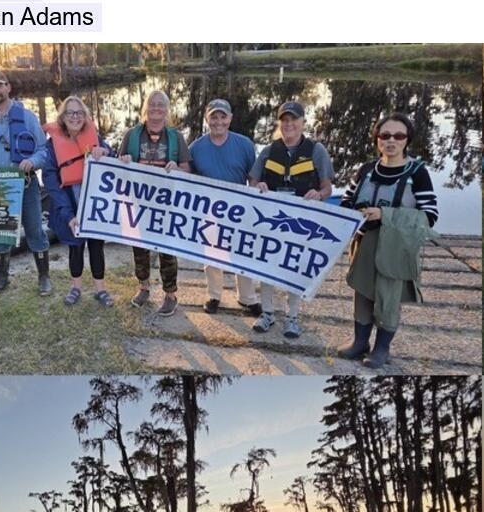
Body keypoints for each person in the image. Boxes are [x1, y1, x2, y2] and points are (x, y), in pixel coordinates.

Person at [340, 112, 441, 368]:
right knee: (362, 294)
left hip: (397, 248)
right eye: (385, 135)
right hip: (364, 244)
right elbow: (345, 203)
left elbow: (429, 216)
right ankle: (359, 342)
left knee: (387, 298)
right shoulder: (365, 170)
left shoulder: (417, 173)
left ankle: (381, 349)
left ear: (407, 140)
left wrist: (386, 215)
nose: (391, 141)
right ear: (377, 139)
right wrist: (356, 212)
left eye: (398, 136)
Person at [249, 101, 337, 337]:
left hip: (302, 224)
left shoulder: (316, 150)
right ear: (279, 123)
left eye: (293, 120)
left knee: (294, 268)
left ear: (302, 123)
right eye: (284, 120)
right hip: (274, 221)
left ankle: (292, 317)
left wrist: (319, 194)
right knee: (266, 267)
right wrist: (260, 186)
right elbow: (253, 181)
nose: (289, 124)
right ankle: (267, 313)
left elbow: (327, 187)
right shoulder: (269, 150)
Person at [0, 71, 52, 295]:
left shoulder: (27, 116)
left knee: (35, 231)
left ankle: (44, 277)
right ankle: (2, 278)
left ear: (8, 87)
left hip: (25, 185)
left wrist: (32, 161)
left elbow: (44, 151)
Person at [26, 94, 113, 308]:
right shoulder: (52, 146)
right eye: (70, 113)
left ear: (85, 116)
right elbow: (51, 181)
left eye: (80, 112)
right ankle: (76, 287)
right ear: (63, 117)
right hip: (70, 205)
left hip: (95, 206)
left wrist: (106, 153)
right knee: (75, 247)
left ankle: (100, 290)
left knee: (96, 246)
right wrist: (69, 214)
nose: (75, 116)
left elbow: (112, 160)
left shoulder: (95, 137)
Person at [114, 90, 189, 316]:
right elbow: (117, 165)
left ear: (167, 110)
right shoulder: (132, 134)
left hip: (166, 203)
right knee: (139, 247)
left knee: (167, 249)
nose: (157, 108)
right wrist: (124, 160)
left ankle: (170, 294)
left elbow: (187, 167)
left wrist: (177, 168)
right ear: (146, 108)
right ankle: (144, 287)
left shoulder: (176, 137)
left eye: (161, 105)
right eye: (152, 104)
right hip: (138, 201)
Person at [188, 99, 259, 319]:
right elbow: (187, 179)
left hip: (239, 209)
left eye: (223, 116)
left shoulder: (245, 144)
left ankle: (247, 297)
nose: (218, 121)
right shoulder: (196, 147)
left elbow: (253, 178)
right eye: (214, 117)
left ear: (230, 118)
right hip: (209, 209)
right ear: (207, 119)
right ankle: (214, 295)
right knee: (211, 254)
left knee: (243, 253)